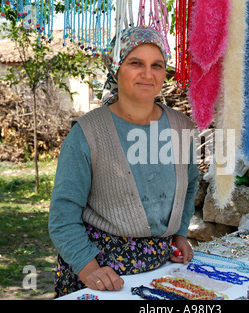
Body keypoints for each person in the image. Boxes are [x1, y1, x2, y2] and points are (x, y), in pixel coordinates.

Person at [48, 26, 199, 298]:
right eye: (135, 63)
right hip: (103, 274)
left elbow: (189, 186)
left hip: (164, 269)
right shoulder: (88, 133)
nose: (148, 73)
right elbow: (63, 214)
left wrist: (180, 233)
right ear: (116, 68)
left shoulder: (181, 128)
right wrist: (88, 267)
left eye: (157, 65)